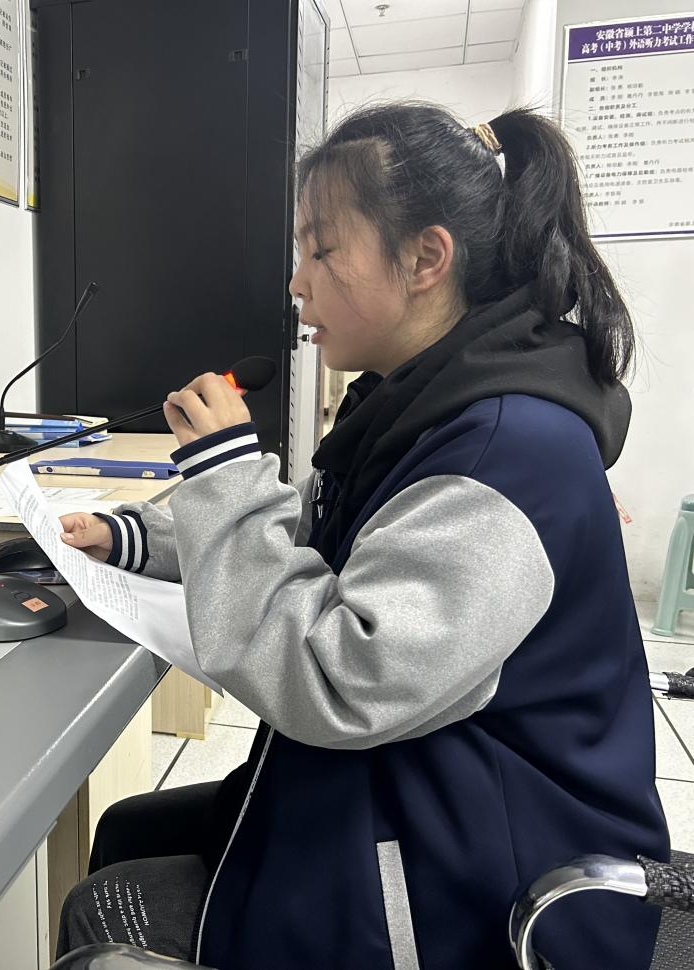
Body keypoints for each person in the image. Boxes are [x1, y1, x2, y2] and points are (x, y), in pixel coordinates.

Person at [54, 104, 670, 970]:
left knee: (105, 911)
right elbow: (320, 521)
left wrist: (225, 475)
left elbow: (335, 681)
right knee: (129, 827)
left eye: (321, 251)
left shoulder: (509, 453)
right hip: (421, 779)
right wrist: (133, 538)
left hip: (479, 869)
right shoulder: (426, 403)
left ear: (425, 259)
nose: (296, 283)